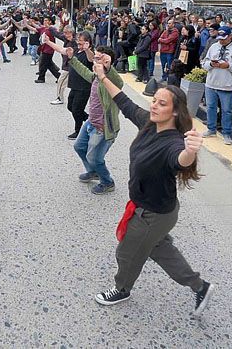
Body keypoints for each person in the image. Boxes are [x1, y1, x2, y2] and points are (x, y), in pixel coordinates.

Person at [90, 80, 213, 317]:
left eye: (162, 103)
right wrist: (102, 76)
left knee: (127, 253)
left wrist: (190, 151)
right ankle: (200, 286)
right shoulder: (149, 122)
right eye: (154, 100)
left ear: (175, 111)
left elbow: (179, 160)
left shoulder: (173, 142)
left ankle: (122, 289)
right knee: (160, 249)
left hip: (152, 214)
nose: (154, 105)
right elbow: (124, 102)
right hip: (156, 208)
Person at [67, 45, 123, 195]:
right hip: (91, 122)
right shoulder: (95, 77)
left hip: (104, 127)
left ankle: (107, 181)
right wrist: (71, 58)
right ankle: (93, 171)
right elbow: (83, 70)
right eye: (95, 57)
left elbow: (119, 82)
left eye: (98, 58)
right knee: (79, 147)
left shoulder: (110, 81)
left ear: (106, 60)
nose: (94, 60)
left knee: (95, 157)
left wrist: (109, 67)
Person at [201, 26, 232, 145]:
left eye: (224, 39)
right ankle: (211, 129)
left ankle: (226, 133)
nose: (221, 41)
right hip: (211, 83)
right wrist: (211, 64)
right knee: (210, 107)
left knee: (226, 110)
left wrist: (229, 66)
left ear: (230, 36)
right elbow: (204, 62)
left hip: (227, 85)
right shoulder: (214, 46)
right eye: (219, 39)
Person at [45, 32, 94, 139]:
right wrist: (48, 42)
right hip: (74, 85)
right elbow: (61, 49)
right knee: (70, 106)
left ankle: (79, 131)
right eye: (78, 41)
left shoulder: (89, 52)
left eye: (81, 42)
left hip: (84, 86)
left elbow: (91, 59)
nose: (79, 44)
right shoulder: (75, 50)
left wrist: (87, 49)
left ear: (88, 42)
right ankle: (91, 120)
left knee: (77, 109)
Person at [49, 25, 76, 105]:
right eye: (64, 33)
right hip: (67, 65)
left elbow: (63, 51)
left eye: (66, 33)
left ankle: (59, 98)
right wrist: (50, 28)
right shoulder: (66, 38)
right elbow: (57, 34)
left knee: (61, 81)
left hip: (70, 66)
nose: (64, 35)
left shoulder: (75, 42)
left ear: (71, 33)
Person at [35, 17, 61, 83]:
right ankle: (59, 77)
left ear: (50, 21)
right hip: (44, 48)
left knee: (43, 64)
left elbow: (57, 34)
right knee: (48, 64)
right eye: (44, 20)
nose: (44, 21)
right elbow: (35, 28)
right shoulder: (44, 28)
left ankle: (41, 78)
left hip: (49, 49)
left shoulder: (52, 29)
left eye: (46, 20)